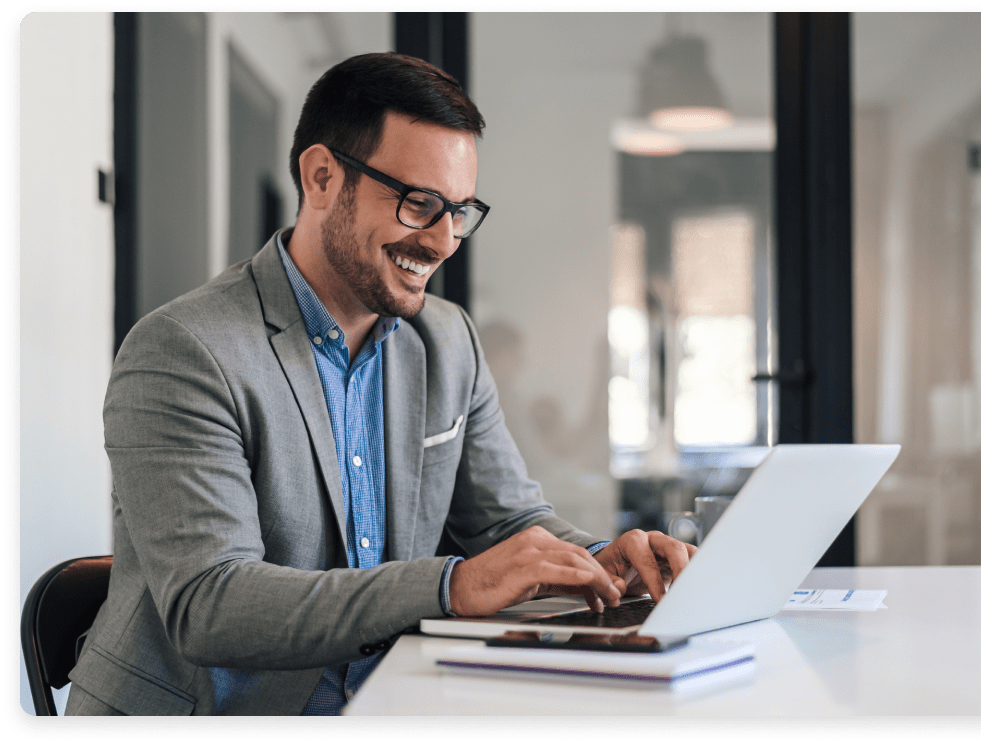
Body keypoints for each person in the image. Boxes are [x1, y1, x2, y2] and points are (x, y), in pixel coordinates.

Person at [66, 52, 695, 716]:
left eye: (459, 210)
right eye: (420, 204)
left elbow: (507, 521)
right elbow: (210, 606)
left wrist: (604, 560)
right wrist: (449, 586)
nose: (443, 241)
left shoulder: (448, 341)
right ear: (321, 177)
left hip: (396, 699)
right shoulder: (184, 350)